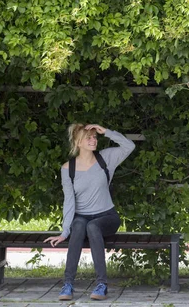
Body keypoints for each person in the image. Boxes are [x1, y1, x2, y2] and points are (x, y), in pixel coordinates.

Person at [44, 124, 135, 301]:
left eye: (95, 137)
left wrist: (106, 131)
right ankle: (68, 284)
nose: (94, 140)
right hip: (81, 218)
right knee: (78, 226)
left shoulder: (106, 158)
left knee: (93, 226)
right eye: (89, 137)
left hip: (106, 217)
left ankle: (102, 285)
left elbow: (129, 146)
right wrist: (64, 232)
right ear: (78, 142)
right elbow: (69, 201)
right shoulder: (67, 169)